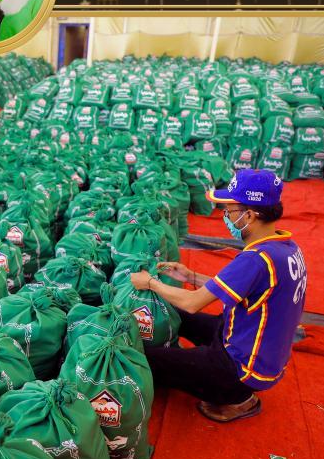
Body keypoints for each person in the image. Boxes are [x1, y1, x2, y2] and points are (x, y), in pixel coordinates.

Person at [129, 169, 307, 422]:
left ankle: (238, 399)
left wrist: (150, 283)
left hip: (240, 370)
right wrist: (190, 276)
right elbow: (236, 286)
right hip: (258, 349)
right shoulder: (285, 247)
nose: (225, 217)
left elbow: (192, 303)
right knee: (172, 314)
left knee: (143, 360)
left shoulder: (257, 259)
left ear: (249, 215)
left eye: (229, 211)